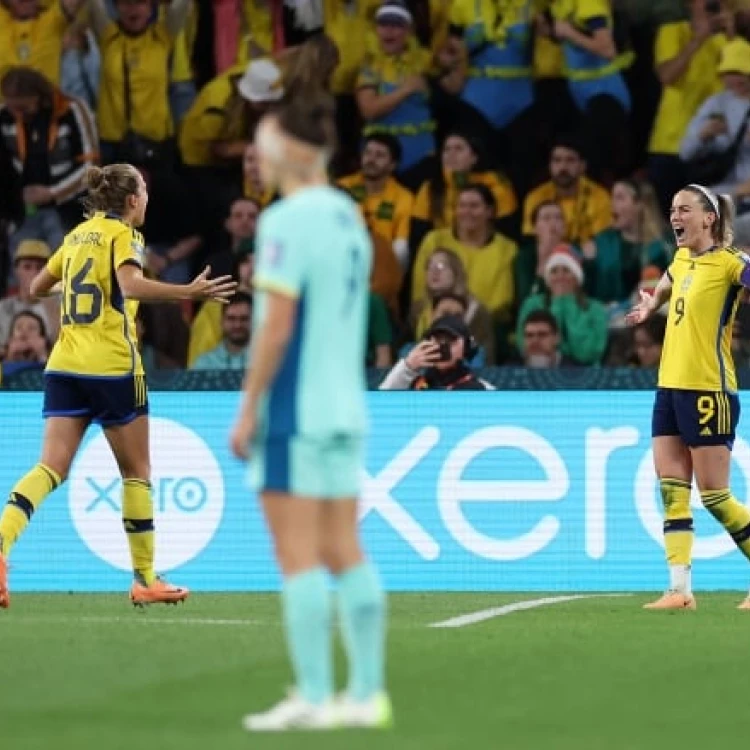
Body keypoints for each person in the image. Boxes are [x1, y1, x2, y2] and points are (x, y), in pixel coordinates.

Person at [0, 163, 237, 610]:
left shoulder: (74, 237)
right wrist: (188, 291)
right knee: (137, 473)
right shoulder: (125, 236)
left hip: (64, 364)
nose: (147, 197)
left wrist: (78, 288)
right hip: (111, 366)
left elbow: (33, 288)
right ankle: (145, 578)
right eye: (145, 190)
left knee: (49, 468)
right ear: (131, 200)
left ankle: (1, 546)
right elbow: (129, 285)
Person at [229, 93, 391, 731]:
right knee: (344, 549)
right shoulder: (350, 216)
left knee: (297, 556)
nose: (258, 154)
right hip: (345, 405)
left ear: (293, 150)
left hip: (296, 409)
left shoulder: (286, 220)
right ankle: (367, 693)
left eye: (266, 141)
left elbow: (275, 327)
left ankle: (317, 697)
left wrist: (247, 410)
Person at [626, 183, 750, 610]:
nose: (674, 216)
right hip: (669, 387)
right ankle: (679, 591)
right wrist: (650, 305)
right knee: (672, 490)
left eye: (683, 209)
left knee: (716, 496)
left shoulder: (730, 263)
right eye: (672, 209)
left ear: (708, 218)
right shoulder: (681, 259)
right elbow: (668, 282)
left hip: (708, 390)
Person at [379, 314, 494, 390]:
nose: (442, 346)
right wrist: (408, 367)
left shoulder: (481, 389)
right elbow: (381, 407)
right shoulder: (413, 383)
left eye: (451, 340)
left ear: (467, 347)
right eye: (437, 339)